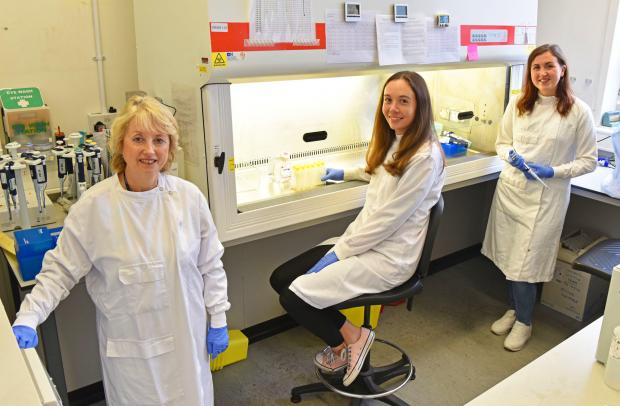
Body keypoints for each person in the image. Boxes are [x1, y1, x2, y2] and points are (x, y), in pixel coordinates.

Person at [11, 96, 231, 405]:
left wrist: (218, 318)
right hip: (132, 357)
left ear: (170, 147)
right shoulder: (95, 207)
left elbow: (211, 265)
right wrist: (29, 315)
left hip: (186, 341)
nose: (150, 150)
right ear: (121, 145)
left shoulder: (188, 199)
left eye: (159, 140)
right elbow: (60, 270)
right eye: (138, 139)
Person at [270, 71, 445, 387]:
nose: (392, 108)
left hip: (388, 257)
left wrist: (338, 254)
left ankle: (353, 339)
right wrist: (339, 172)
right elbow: (378, 172)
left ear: (420, 107)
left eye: (403, 101)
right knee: (281, 278)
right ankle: (346, 341)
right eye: (388, 100)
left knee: (294, 296)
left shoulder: (425, 157)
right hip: (364, 241)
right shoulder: (397, 140)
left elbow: (387, 221)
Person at [482, 44, 597, 351]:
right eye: (536, 67)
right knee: (509, 258)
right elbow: (502, 143)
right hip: (510, 192)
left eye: (549, 66)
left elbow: (589, 161)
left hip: (545, 199)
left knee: (526, 262)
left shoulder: (578, 111)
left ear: (563, 69)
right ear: (530, 72)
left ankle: (525, 322)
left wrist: (554, 171)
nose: (542, 73)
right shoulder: (519, 102)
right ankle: (515, 309)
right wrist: (512, 156)